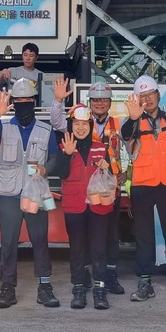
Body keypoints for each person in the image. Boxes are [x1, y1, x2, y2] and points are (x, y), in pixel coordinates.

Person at [0, 79, 59, 309]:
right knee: (8, 243)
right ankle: (7, 288)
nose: (23, 104)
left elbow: (54, 157)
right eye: (19, 101)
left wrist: (46, 169)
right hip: (9, 194)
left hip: (35, 194)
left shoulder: (46, 129)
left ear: (34, 102)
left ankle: (45, 287)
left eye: (27, 100)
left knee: (40, 241)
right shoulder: (3, 125)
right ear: (13, 103)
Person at [121, 75, 166, 303]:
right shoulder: (132, 121)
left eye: (151, 94)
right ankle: (145, 281)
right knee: (143, 235)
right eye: (142, 95)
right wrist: (134, 119)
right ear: (137, 98)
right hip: (142, 184)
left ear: (158, 95)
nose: (147, 98)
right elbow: (125, 135)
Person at [49, 79, 126, 294]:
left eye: (104, 99)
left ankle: (108, 277)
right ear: (89, 102)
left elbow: (128, 150)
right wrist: (57, 100)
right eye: (96, 99)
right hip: (79, 198)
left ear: (110, 102)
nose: (100, 103)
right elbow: (56, 121)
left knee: (108, 237)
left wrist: (123, 173)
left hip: (108, 190)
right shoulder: (77, 125)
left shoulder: (119, 124)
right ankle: (82, 282)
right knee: (81, 243)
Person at [56, 104, 112, 310]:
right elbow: (61, 174)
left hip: (98, 206)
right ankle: (79, 288)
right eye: (76, 124)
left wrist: (107, 169)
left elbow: (111, 179)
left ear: (91, 125)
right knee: (77, 250)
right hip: (74, 207)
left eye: (84, 124)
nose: (80, 128)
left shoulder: (101, 148)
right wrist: (68, 154)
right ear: (71, 125)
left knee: (98, 250)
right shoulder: (64, 147)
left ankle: (99, 290)